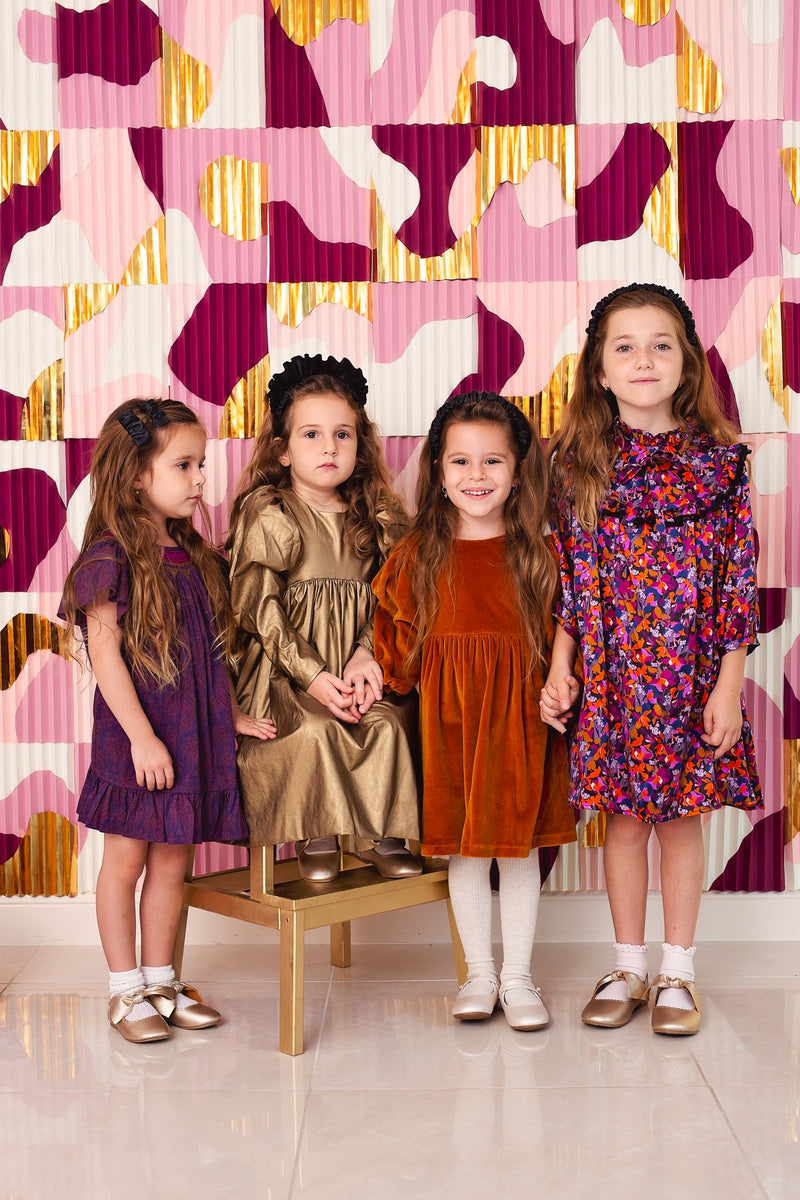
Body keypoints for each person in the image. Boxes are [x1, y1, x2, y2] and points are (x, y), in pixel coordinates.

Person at [541, 283, 762, 1036]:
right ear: (600, 370)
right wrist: (562, 666)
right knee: (625, 824)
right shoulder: (576, 465)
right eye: (625, 347)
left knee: (679, 823)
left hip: (692, 676)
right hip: (613, 677)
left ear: (686, 363)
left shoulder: (722, 465)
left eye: (661, 345)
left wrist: (729, 686)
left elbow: (737, 581)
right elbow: (571, 580)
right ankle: (628, 965)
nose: (644, 360)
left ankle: (678, 970)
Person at [61, 399, 274, 1045]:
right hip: (139, 740)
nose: (201, 479)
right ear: (135, 475)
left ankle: (161, 980)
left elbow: (207, 654)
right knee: (125, 862)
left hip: (188, 738)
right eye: (184, 465)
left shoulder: (192, 555)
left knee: (173, 864)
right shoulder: (110, 557)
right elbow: (105, 655)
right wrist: (142, 738)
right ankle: (125, 990)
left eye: (201, 464)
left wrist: (229, 714)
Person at [372, 391, 575, 1031]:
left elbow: (568, 636)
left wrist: (563, 687)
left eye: (493, 461)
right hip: (450, 725)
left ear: (517, 471)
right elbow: (394, 644)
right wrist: (363, 666)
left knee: (515, 850)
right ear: (438, 470)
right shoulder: (417, 555)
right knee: (464, 851)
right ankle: (479, 975)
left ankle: (517, 978)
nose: (476, 475)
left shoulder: (540, 555)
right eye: (460, 461)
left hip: (521, 722)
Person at [227, 354, 421, 882]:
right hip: (288, 673)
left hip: (358, 669)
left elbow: (395, 597)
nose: (329, 447)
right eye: (311, 435)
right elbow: (258, 606)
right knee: (315, 731)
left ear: (360, 446)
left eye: (342, 434)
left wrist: (366, 654)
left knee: (388, 726)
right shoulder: (272, 511)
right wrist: (312, 676)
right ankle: (318, 832)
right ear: (283, 450)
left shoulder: (376, 516)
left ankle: (384, 834)